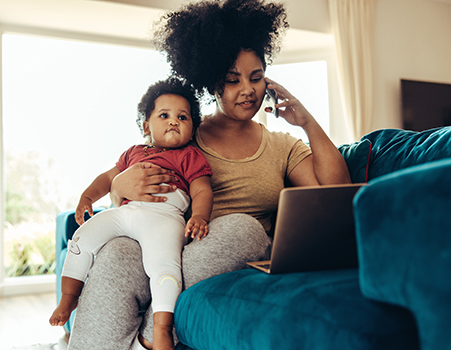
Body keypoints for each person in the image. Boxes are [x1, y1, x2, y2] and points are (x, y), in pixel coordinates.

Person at [66, 1, 351, 349]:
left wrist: (306, 121)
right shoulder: (184, 134)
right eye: (233, 80)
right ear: (212, 84)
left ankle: (149, 331)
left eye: (256, 77)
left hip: (218, 249)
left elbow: (337, 188)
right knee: (116, 254)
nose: (247, 89)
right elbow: (130, 191)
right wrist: (117, 186)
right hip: (162, 241)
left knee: (242, 228)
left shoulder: (282, 146)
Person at [50, 78, 213, 350]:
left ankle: (161, 328)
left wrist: (200, 216)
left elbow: (202, 191)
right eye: (165, 115)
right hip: (126, 212)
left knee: (165, 268)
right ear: (147, 126)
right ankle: (69, 297)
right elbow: (107, 178)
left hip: (164, 217)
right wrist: (88, 197)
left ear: (192, 128)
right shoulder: (134, 153)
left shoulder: (190, 156)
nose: (174, 121)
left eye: (182, 117)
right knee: (82, 237)